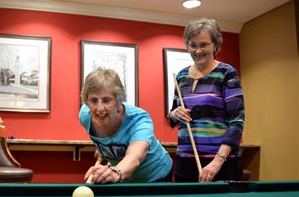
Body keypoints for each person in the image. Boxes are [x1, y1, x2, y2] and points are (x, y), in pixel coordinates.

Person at [169, 18, 245, 182]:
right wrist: (175, 113)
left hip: (221, 164)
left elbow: (237, 122)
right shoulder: (181, 76)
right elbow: (173, 117)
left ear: (215, 45)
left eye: (203, 45)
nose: (197, 51)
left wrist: (217, 162)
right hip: (185, 161)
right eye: (193, 45)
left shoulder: (227, 73)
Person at [80, 68, 172, 184]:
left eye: (106, 100)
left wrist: (115, 172)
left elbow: (135, 156)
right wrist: (104, 148)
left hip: (155, 175)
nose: (99, 108)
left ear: (118, 100)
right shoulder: (85, 116)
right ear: (87, 101)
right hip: (124, 178)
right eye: (93, 100)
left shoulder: (139, 119)